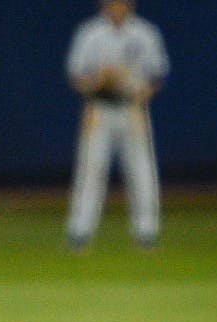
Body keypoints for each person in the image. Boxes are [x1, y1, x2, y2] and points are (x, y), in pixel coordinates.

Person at [65, 0, 170, 250]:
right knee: (91, 171)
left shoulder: (145, 32)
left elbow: (157, 74)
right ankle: (79, 233)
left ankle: (146, 233)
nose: (117, 5)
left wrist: (139, 92)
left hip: (132, 108)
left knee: (142, 171)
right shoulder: (90, 32)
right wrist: (97, 83)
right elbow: (76, 74)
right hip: (100, 108)